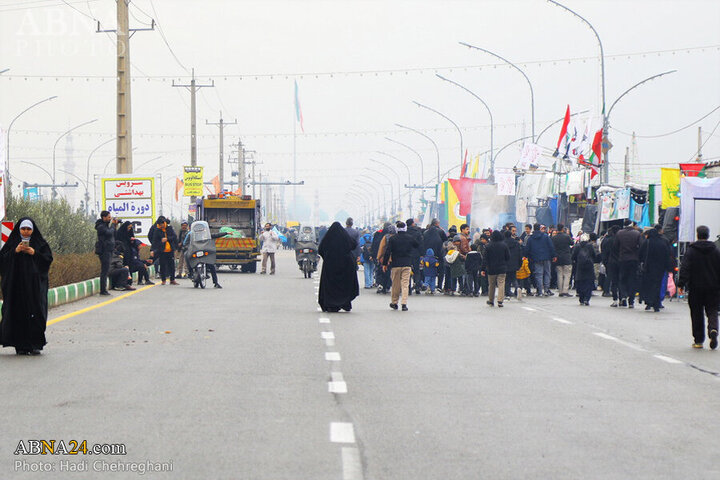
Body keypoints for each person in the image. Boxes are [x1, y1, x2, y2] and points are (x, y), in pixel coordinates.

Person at [0, 218, 53, 355]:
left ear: (33, 230)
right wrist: (15, 252)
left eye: (28, 229)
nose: (26, 232)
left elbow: (47, 260)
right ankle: (20, 345)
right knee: (18, 314)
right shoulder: (12, 243)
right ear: (19, 230)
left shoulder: (40, 243)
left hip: (35, 287)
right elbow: (2, 261)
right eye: (23, 229)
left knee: (37, 313)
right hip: (16, 287)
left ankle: (35, 344)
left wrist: (34, 253)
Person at [677, 225, 720, 349]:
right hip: (713, 288)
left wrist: (681, 283)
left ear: (697, 235)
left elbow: (685, 268)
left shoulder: (691, 251)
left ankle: (698, 340)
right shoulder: (716, 251)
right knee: (712, 310)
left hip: (696, 288)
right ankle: (713, 329)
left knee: (696, 313)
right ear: (708, 235)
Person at [318, 222, 359, 312]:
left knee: (331, 285)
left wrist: (327, 257)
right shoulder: (345, 237)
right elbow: (353, 244)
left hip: (330, 265)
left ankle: (331, 304)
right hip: (346, 264)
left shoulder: (328, 238)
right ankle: (345, 303)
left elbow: (320, 249)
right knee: (345, 284)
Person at [382, 221, 419, 311]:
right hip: (407, 264)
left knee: (395, 284)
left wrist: (384, 264)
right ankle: (404, 303)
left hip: (396, 264)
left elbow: (387, 251)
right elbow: (417, 245)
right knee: (405, 284)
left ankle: (394, 302)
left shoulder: (393, 239)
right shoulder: (410, 238)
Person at [183, 221, 228, 288]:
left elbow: (215, 235)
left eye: (201, 228)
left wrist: (225, 233)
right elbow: (185, 243)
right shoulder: (190, 234)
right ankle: (190, 273)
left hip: (204, 251)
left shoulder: (206, 234)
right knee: (186, 255)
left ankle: (216, 283)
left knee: (211, 265)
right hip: (194, 251)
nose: (199, 229)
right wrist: (188, 247)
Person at [638, 225, 672, 312]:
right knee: (657, 285)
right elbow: (667, 255)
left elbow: (640, 254)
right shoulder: (662, 242)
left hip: (648, 267)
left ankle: (648, 302)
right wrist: (668, 267)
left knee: (648, 285)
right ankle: (656, 304)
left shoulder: (647, 242)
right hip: (659, 268)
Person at [613, 219, 642, 308]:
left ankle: (623, 296)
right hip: (634, 260)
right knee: (632, 279)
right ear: (631, 224)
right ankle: (631, 301)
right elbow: (641, 246)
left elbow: (615, 247)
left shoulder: (619, 233)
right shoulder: (637, 234)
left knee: (622, 279)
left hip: (622, 259)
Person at [524, 223, 557, 297]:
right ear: (539, 228)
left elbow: (527, 249)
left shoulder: (531, 238)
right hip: (547, 257)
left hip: (536, 258)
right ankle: (546, 289)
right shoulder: (546, 237)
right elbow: (551, 246)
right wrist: (554, 255)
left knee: (539, 274)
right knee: (547, 273)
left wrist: (526, 256)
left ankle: (539, 291)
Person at [481, 230, 510, 307]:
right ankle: (500, 300)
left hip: (491, 268)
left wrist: (483, 269)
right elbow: (508, 257)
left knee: (491, 285)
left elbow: (485, 259)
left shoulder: (488, 246)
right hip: (502, 268)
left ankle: (491, 300)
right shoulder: (504, 245)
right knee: (501, 284)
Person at [95, 210, 119, 295]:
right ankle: (103, 290)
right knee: (104, 271)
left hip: (109, 250)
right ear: (104, 217)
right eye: (109, 217)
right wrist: (112, 225)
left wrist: (115, 225)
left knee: (106, 269)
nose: (110, 219)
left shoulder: (106, 226)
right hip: (104, 251)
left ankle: (104, 289)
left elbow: (113, 234)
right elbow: (109, 233)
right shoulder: (100, 226)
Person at [150, 216, 179, 285]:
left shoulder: (169, 228)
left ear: (164, 223)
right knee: (162, 265)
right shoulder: (157, 230)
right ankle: (163, 280)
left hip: (170, 250)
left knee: (171, 265)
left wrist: (167, 239)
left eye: (162, 224)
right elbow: (154, 241)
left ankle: (172, 280)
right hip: (162, 251)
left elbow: (174, 237)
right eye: (160, 225)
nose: (161, 226)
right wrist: (152, 250)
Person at [572, 234, 600, 306]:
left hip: (580, 266)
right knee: (588, 282)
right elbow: (594, 255)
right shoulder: (590, 246)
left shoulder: (577, 246)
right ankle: (586, 299)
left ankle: (581, 298)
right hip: (589, 266)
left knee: (580, 282)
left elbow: (573, 256)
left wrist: (577, 261)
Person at [423, 219, 447, 292]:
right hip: (438, 254)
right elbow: (445, 239)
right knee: (441, 270)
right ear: (437, 224)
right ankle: (439, 285)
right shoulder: (440, 231)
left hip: (428, 255)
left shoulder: (425, 232)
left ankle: (427, 285)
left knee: (428, 271)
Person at [551, 223, 574, 297]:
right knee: (567, 274)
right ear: (563, 228)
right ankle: (565, 290)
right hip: (566, 257)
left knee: (559, 274)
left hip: (558, 258)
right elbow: (572, 243)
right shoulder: (566, 236)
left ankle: (560, 291)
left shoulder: (554, 238)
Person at [601, 225, 621, 307]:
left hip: (610, 262)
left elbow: (603, 251)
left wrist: (605, 262)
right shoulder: (620, 240)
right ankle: (622, 298)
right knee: (621, 280)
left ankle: (614, 297)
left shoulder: (607, 240)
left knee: (612, 279)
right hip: (620, 262)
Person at [504, 230, 523, 299]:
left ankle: (507, 292)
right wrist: (520, 263)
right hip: (514, 263)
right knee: (513, 277)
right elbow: (519, 254)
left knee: (507, 279)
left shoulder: (503, 243)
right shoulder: (516, 243)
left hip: (505, 263)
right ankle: (517, 287)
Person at [406, 219, 424, 294]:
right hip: (416, 254)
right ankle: (417, 287)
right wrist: (422, 253)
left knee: (407, 271)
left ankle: (408, 288)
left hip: (407, 254)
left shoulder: (405, 232)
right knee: (417, 270)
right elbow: (421, 243)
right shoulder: (417, 232)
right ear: (412, 224)